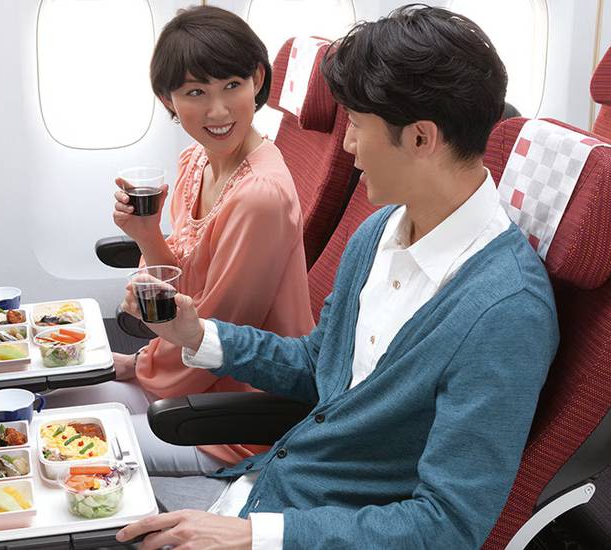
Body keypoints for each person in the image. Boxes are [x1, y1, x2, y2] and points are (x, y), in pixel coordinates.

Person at [115, 4, 559, 549]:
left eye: (356, 125)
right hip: (271, 486)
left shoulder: (504, 311)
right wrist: (196, 336)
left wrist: (255, 537)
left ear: (420, 139)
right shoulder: (378, 234)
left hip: (309, 526)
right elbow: (317, 365)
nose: (347, 144)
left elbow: (447, 525)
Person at [47, 5, 314, 476]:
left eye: (232, 85)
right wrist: (147, 235)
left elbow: (219, 333)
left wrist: (140, 366)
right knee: (48, 407)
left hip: (237, 411)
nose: (218, 110)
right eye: (195, 92)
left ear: (257, 78)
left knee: (61, 450)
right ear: (167, 99)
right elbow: (186, 285)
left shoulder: (261, 198)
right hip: (188, 376)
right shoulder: (198, 162)